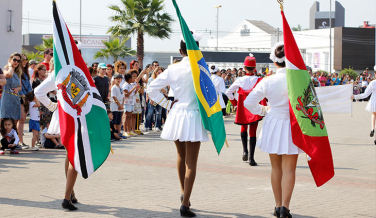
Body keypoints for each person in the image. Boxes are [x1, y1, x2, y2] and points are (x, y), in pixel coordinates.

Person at [147, 33, 207, 217]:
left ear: (181, 51)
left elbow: (151, 88)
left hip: (178, 113)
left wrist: (166, 104)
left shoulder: (173, 68)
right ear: (196, 48)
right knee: (192, 162)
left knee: (181, 156)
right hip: (194, 115)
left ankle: (184, 195)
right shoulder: (202, 68)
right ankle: (185, 204)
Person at [244, 42, 303, 218]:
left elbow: (248, 103)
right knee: (290, 169)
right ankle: (285, 207)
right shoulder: (299, 79)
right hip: (293, 124)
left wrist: (263, 110)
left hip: (274, 123)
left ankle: (277, 206)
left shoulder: (268, 80)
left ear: (275, 62)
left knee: (276, 168)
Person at [35, 72, 78, 210]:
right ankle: (67, 196)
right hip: (75, 115)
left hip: (68, 114)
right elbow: (38, 91)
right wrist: (53, 106)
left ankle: (70, 192)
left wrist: (53, 105)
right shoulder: (69, 69)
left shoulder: (59, 71)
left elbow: (39, 92)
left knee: (70, 154)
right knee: (73, 155)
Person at [225, 53, 266, 166]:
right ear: (255, 68)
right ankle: (252, 158)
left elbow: (228, 92)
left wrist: (236, 103)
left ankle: (245, 151)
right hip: (254, 108)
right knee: (253, 132)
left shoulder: (240, 80)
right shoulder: (259, 80)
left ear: (244, 68)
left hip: (243, 108)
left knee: (244, 128)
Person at [352, 78, 376, 144]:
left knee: (374, 114)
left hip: (374, 102)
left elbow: (365, 94)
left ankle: (372, 128)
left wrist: (355, 97)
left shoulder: (373, 83)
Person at [1, 52, 22, 128]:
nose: (16, 62)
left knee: (14, 122)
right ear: (10, 59)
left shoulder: (18, 73)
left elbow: (20, 87)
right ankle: (5, 138)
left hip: (15, 99)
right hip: (6, 98)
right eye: (14, 60)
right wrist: (10, 65)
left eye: (18, 61)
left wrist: (17, 89)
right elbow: (9, 74)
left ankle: (13, 139)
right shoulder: (4, 70)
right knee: (5, 121)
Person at [18, 54, 33, 149]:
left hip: (26, 97)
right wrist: (24, 95)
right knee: (21, 119)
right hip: (20, 97)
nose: (24, 61)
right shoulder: (17, 72)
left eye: (25, 60)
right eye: (22, 60)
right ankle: (20, 141)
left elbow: (28, 86)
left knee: (22, 120)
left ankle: (20, 141)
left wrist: (29, 95)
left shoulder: (25, 72)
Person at [145, 67, 164, 132]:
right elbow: (148, 89)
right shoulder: (151, 80)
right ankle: (146, 126)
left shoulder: (162, 80)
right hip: (152, 98)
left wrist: (163, 90)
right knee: (150, 113)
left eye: (161, 73)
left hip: (160, 98)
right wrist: (148, 98)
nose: (160, 74)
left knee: (159, 113)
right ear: (155, 73)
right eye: (159, 72)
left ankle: (157, 126)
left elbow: (165, 90)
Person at [122, 73, 139, 137]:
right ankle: (124, 131)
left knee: (130, 116)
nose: (133, 79)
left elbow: (133, 93)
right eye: (132, 78)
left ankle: (129, 131)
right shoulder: (125, 85)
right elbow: (126, 94)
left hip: (132, 102)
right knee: (126, 116)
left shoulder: (130, 85)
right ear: (129, 79)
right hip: (127, 102)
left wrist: (136, 89)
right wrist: (133, 89)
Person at [110, 73, 125, 138]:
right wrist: (119, 105)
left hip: (120, 106)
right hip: (115, 106)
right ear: (114, 79)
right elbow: (114, 97)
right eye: (117, 78)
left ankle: (119, 133)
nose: (119, 80)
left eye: (120, 78)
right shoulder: (114, 87)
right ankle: (114, 133)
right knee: (115, 121)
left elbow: (123, 97)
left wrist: (122, 105)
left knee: (119, 121)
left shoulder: (121, 87)